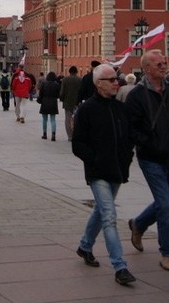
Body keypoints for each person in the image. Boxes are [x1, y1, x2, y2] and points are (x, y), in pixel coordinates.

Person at [72, 63, 136, 286]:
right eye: (111, 80)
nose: (115, 82)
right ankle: (120, 266)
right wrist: (95, 159)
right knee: (109, 215)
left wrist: (127, 156)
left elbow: (128, 137)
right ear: (98, 84)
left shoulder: (120, 108)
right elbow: (77, 144)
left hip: (117, 170)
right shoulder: (87, 110)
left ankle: (85, 246)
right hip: (98, 172)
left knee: (101, 210)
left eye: (116, 79)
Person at [125, 49, 169, 273]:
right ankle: (167, 254)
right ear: (146, 69)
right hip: (150, 158)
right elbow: (131, 129)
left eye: (164, 63)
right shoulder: (136, 96)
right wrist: (148, 143)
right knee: (167, 204)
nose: (163, 66)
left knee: (166, 202)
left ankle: (139, 224)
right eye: (158, 64)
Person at [59, 65, 82, 141]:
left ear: (69, 72)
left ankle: (70, 135)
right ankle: (77, 134)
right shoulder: (80, 80)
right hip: (78, 102)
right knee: (77, 119)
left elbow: (62, 92)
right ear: (76, 72)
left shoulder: (65, 79)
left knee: (68, 119)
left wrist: (62, 99)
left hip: (67, 102)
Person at [36, 71, 60, 141]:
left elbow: (41, 94)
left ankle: (44, 133)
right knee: (53, 119)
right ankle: (53, 134)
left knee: (44, 119)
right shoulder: (57, 84)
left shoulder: (44, 84)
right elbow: (58, 95)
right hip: (53, 102)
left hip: (45, 102)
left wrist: (39, 100)